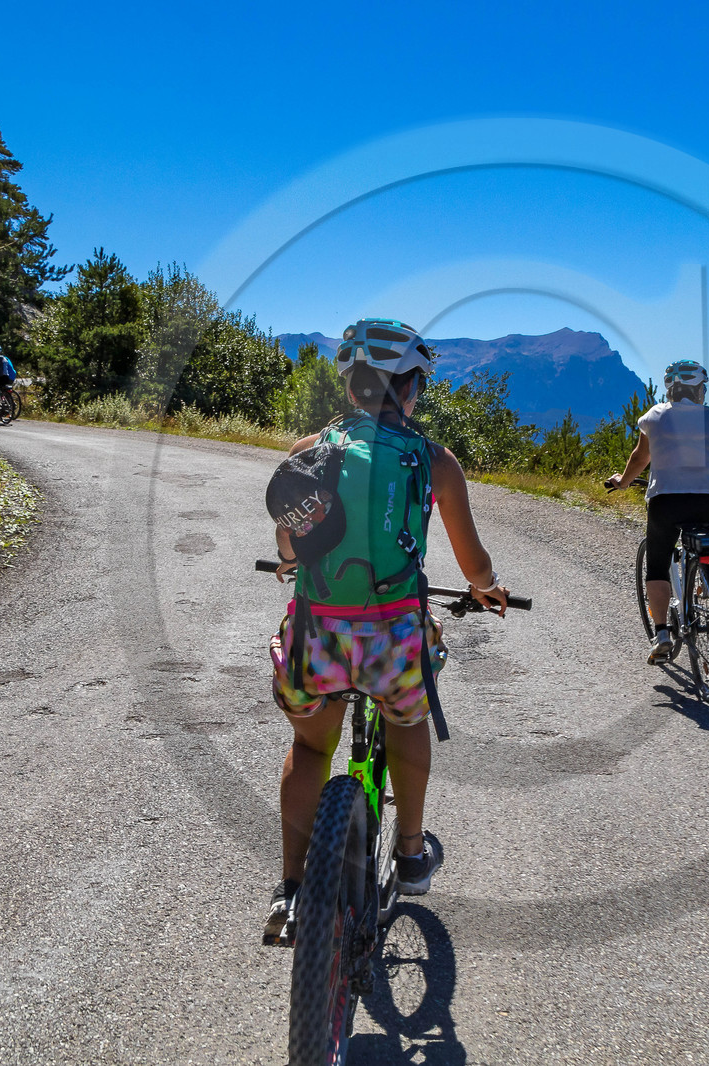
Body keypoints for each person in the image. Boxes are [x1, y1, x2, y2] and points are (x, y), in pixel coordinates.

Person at [265, 319, 510, 937]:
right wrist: (483, 587)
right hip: (392, 640)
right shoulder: (435, 461)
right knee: (408, 720)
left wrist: (292, 564)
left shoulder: (308, 452)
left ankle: (291, 893)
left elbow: (289, 545)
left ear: (351, 388)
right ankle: (408, 852)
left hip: (317, 639)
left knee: (311, 747)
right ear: (410, 389)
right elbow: (472, 562)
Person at [605, 360, 709, 663]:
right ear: (700, 389)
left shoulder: (655, 416)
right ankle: (703, 575)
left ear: (671, 389)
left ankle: (662, 633)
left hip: (666, 500)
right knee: (702, 528)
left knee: (658, 564)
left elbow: (640, 458)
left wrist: (622, 482)